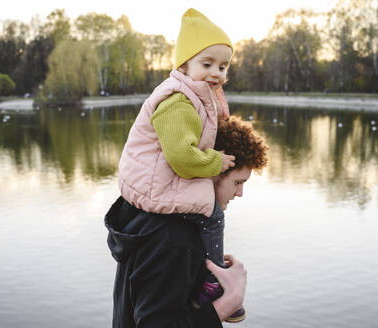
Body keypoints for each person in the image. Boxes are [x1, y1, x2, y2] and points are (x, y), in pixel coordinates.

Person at [117, 8, 241, 321]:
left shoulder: (193, 95)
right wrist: (216, 160)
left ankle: (208, 276)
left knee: (208, 217)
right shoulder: (177, 100)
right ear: (184, 64)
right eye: (207, 64)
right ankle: (213, 281)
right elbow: (184, 159)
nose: (216, 72)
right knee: (212, 217)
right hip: (156, 183)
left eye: (223, 66)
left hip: (155, 185)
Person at [106, 116, 269, 327]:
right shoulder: (175, 239)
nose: (240, 193)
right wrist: (230, 301)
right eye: (237, 182)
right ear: (211, 173)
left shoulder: (154, 216)